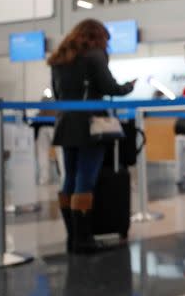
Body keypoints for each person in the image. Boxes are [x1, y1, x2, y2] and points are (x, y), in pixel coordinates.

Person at [49, 19, 135, 254]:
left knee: (70, 178)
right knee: (85, 179)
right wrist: (128, 87)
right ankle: (84, 239)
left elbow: (57, 94)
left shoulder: (59, 58)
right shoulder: (95, 55)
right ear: (99, 37)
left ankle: (72, 237)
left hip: (66, 123)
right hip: (90, 125)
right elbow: (109, 87)